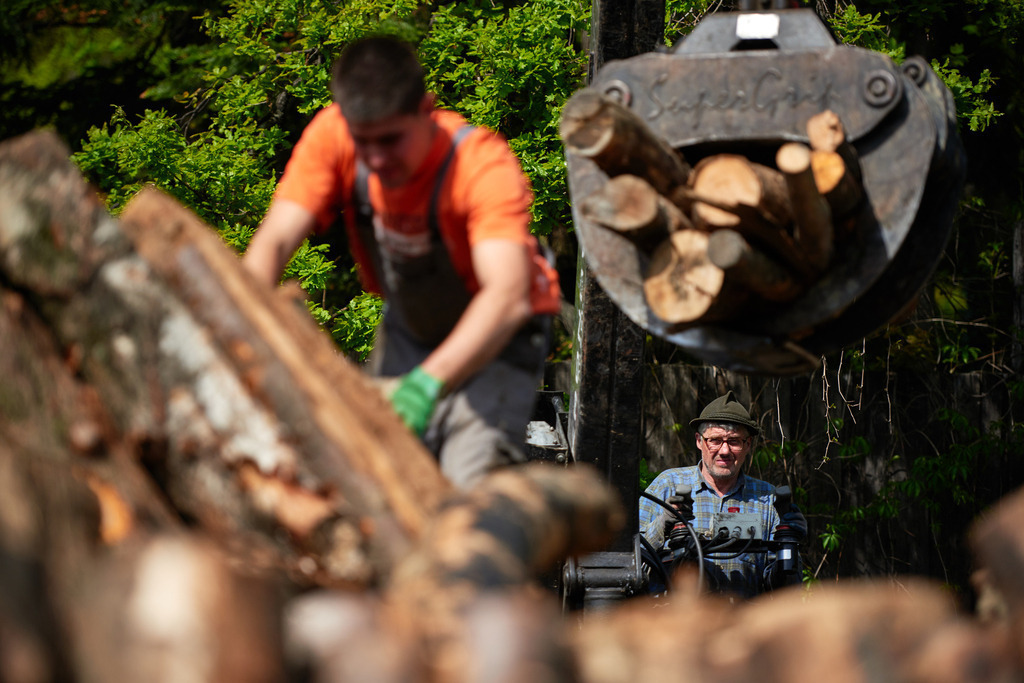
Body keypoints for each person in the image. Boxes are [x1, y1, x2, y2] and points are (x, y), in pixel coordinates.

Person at [243, 35, 561, 488]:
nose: (375, 158)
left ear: (426, 109)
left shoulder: (480, 166)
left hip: (500, 337)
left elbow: (507, 296)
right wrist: (240, 322)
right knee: (374, 478)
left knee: (464, 486)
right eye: (363, 141)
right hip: (411, 330)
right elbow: (273, 241)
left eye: (391, 140)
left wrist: (425, 385)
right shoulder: (333, 133)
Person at [638, 391, 807, 598]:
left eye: (734, 441)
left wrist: (789, 542)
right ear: (699, 441)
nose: (725, 451)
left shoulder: (767, 500)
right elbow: (629, 559)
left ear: (748, 444)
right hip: (675, 624)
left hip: (742, 625)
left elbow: (786, 591)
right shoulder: (668, 485)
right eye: (715, 440)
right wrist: (663, 523)